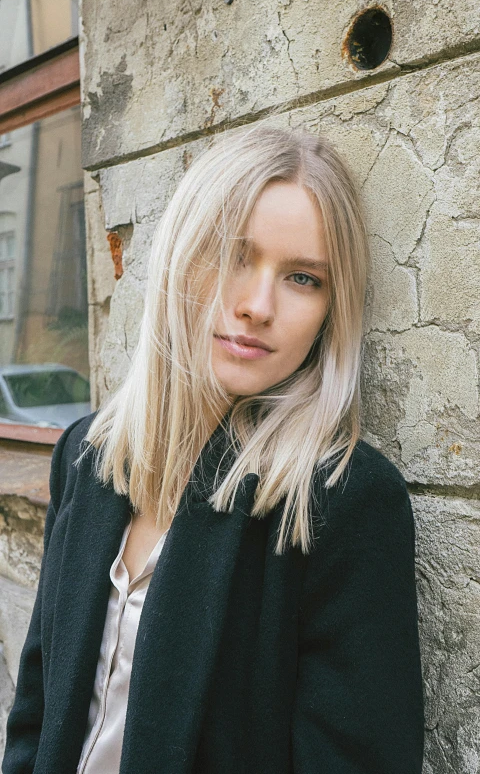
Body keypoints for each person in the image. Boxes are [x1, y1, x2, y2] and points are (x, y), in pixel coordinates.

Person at [2, 124, 425, 774]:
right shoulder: (85, 456)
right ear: (180, 256)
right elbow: (35, 708)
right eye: (233, 254)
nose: (257, 305)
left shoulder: (342, 501)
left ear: (331, 310)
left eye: (303, 278)